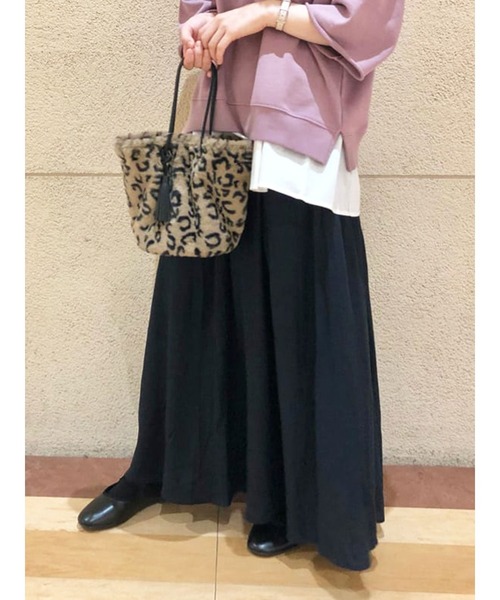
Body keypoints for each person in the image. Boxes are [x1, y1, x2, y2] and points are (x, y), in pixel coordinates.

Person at [78, 0, 404, 572]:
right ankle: (163, 470)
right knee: (195, 306)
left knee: (298, 317)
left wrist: (260, 16)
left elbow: (365, 20)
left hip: (304, 123)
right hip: (219, 120)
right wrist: (198, 28)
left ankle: (288, 497)